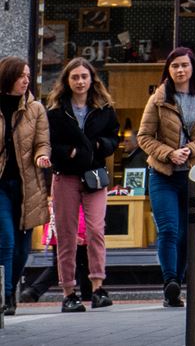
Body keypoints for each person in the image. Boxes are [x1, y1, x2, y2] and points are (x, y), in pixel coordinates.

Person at [134, 46, 195, 307]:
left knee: (187, 234)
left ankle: (179, 282)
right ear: (168, 70)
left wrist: (191, 149)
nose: (180, 70)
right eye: (174, 66)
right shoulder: (159, 98)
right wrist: (168, 153)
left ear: (193, 67)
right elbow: (144, 137)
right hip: (164, 174)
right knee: (169, 230)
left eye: (184, 65)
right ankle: (170, 282)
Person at [47, 57, 120, 313]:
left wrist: (101, 146)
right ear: (67, 81)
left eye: (84, 77)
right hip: (65, 176)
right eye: (75, 77)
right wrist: (68, 153)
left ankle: (98, 287)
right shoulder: (56, 111)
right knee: (66, 235)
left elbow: (114, 137)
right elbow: (49, 143)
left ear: (92, 79)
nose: (80, 81)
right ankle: (68, 291)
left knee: (95, 231)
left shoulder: (104, 108)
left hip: (95, 176)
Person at [0, 58, 48, 316]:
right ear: (8, 77)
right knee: (5, 240)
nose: (26, 80)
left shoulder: (36, 108)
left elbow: (43, 141)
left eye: (28, 76)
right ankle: (6, 294)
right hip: (0, 185)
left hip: (27, 184)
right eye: (21, 76)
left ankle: (9, 289)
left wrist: (42, 155)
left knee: (22, 248)